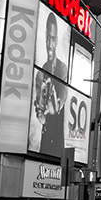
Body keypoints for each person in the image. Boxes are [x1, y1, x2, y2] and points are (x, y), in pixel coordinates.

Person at [33, 12, 67, 155]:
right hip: (46, 142)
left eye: (53, 39)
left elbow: (61, 99)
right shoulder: (40, 73)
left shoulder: (63, 68)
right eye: (48, 39)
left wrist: (54, 104)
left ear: (57, 40)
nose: (50, 45)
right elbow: (41, 116)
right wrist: (42, 110)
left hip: (59, 141)